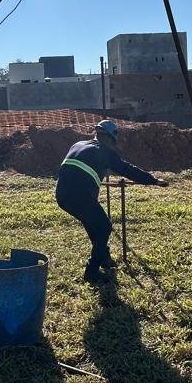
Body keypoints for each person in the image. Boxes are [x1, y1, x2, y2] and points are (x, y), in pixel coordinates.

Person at [55, 119, 168, 283]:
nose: (113, 145)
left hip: (62, 195)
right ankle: (92, 272)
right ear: (109, 138)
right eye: (113, 142)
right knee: (105, 227)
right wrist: (153, 180)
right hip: (80, 196)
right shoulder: (105, 151)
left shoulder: (77, 144)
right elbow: (126, 169)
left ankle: (105, 258)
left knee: (94, 224)